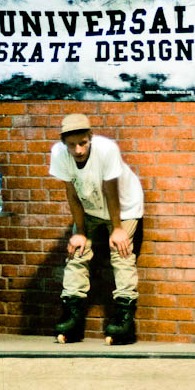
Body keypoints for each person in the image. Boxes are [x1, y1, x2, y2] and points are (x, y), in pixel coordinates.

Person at [50, 113, 144, 345]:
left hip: (124, 206)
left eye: (83, 143)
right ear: (64, 143)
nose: (78, 150)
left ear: (90, 137)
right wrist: (80, 233)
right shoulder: (59, 154)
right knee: (77, 253)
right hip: (90, 206)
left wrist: (118, 228)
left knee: (121, 252)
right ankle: (72, 318)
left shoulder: (106, 149)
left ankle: (124, 322)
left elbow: (111, 190)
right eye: (72, 145)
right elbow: (71, 193)